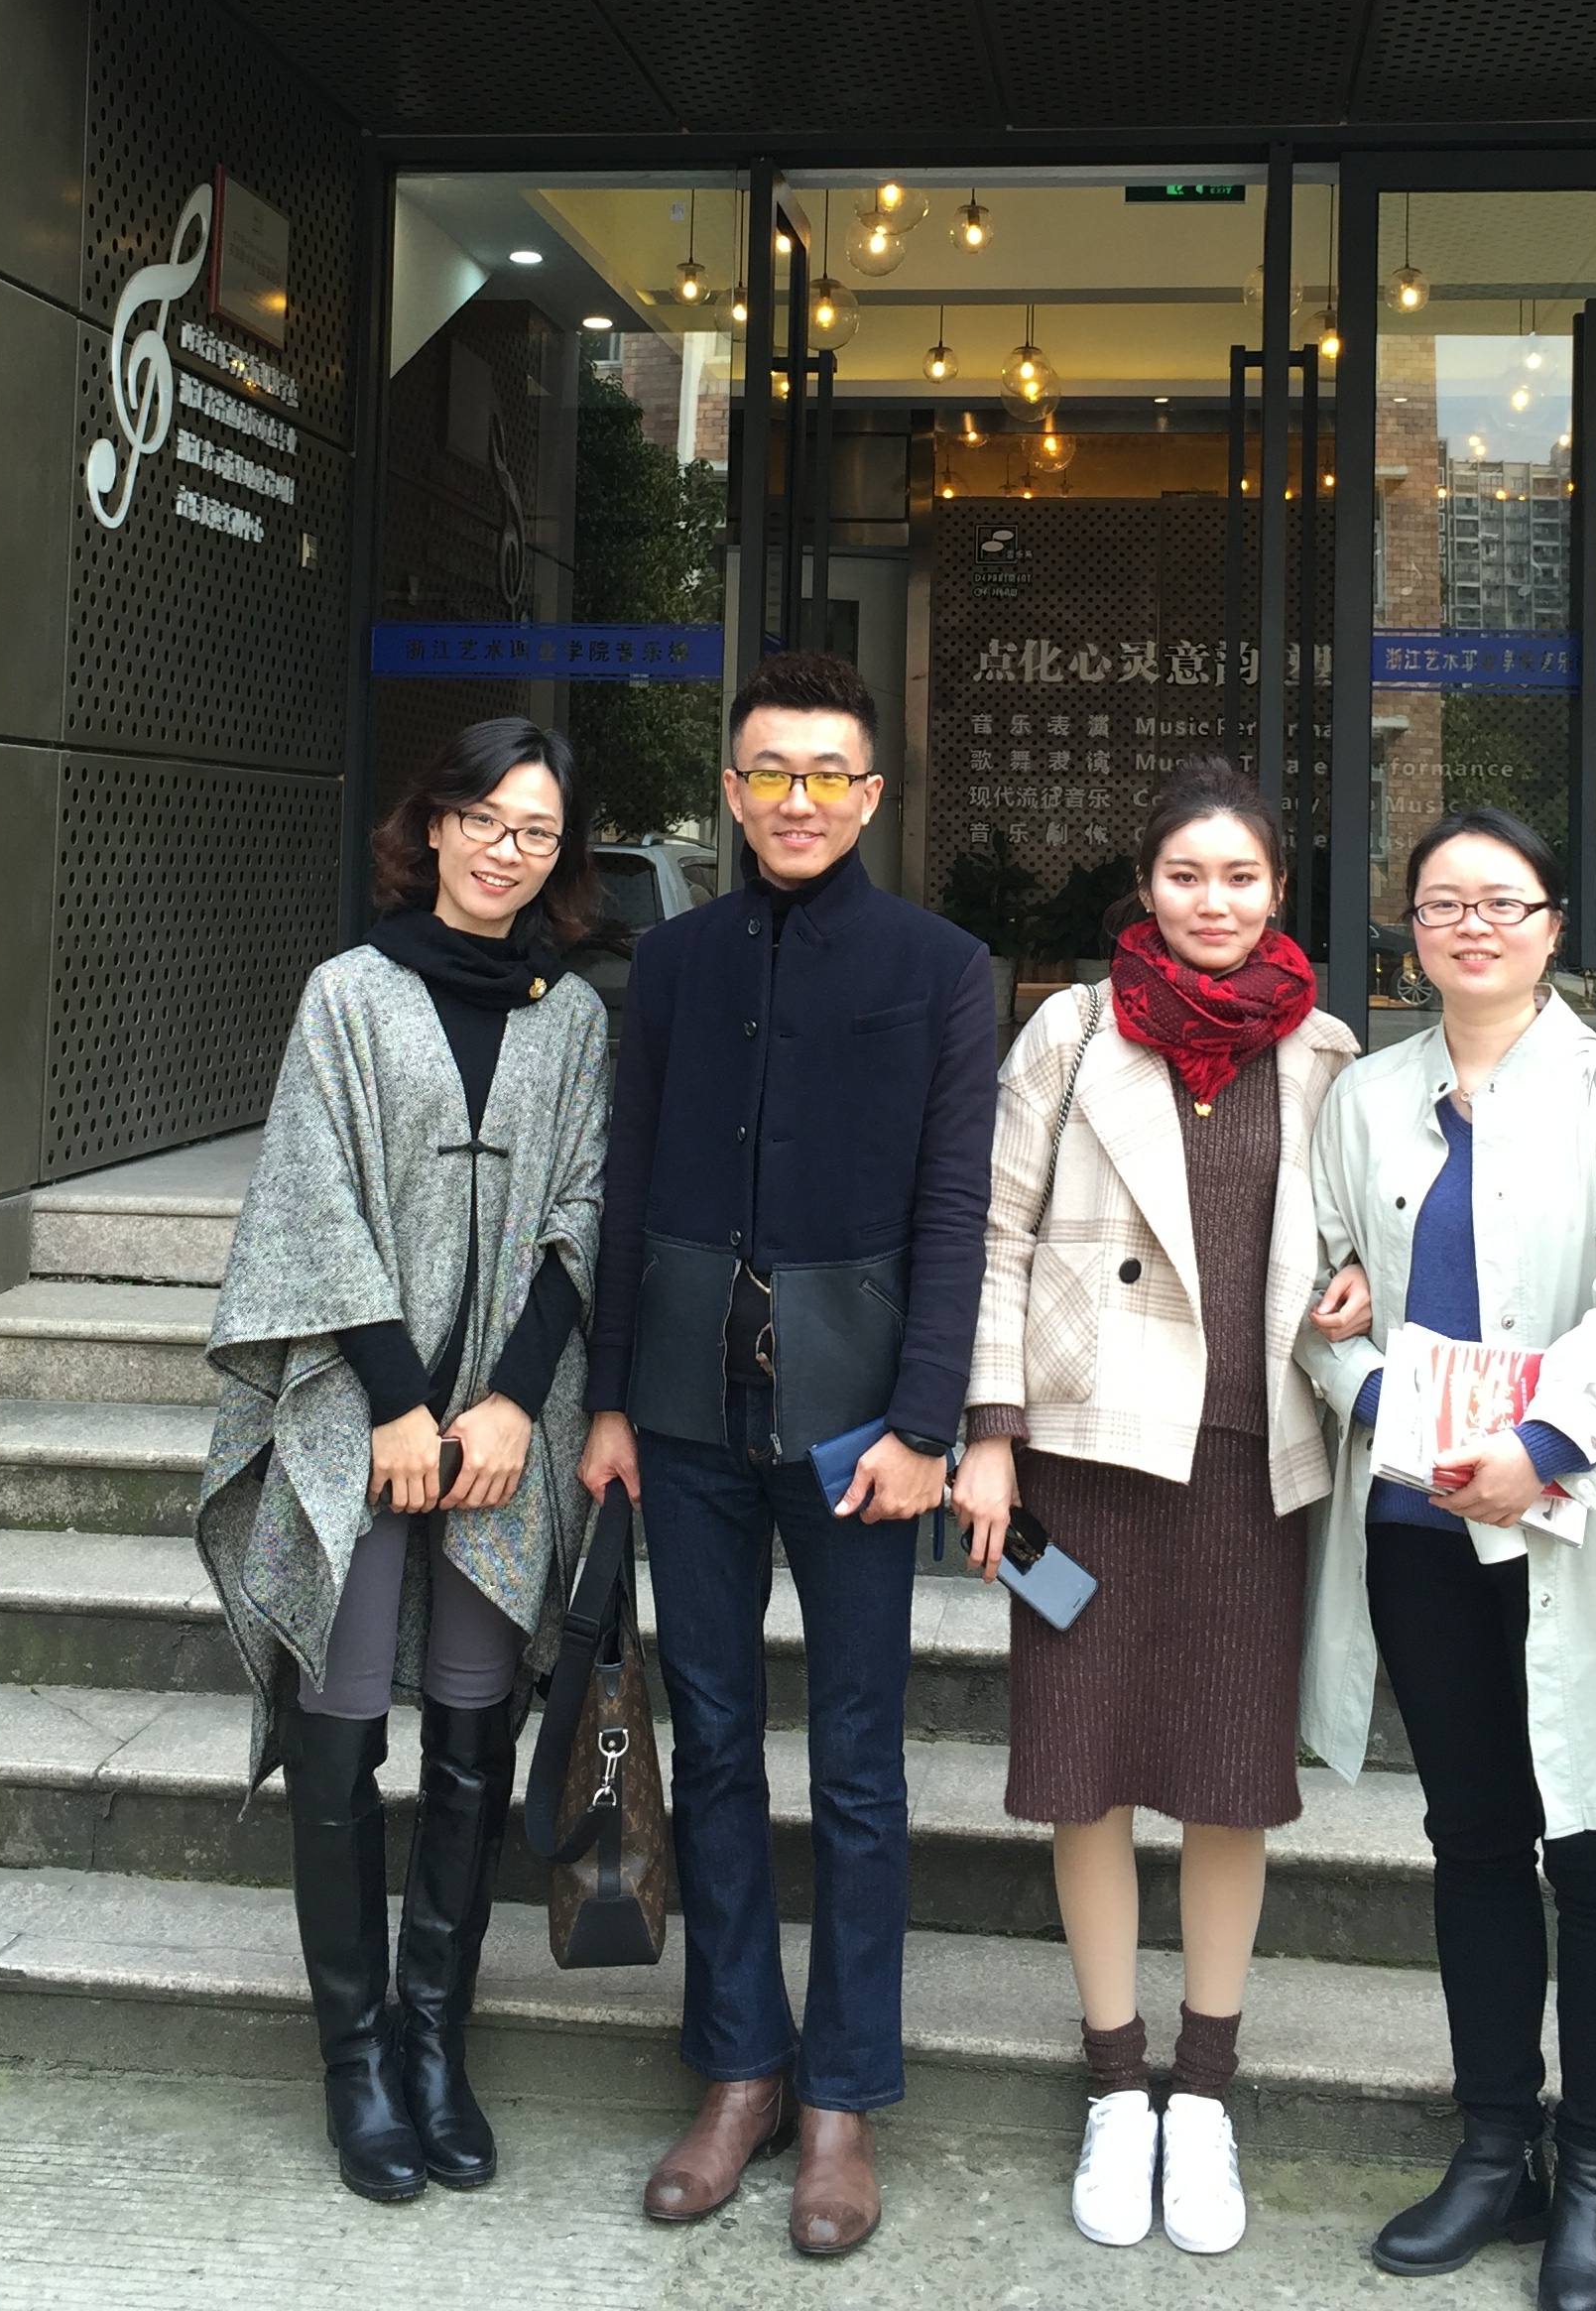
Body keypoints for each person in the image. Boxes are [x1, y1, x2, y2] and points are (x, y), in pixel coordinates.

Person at [579, 645, 995, 2260]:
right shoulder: (674, 961)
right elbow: (627, 1183)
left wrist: (927, 1425)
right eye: (771, 772)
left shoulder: (942, 967)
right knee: (712, 1738)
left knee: (861, 1765)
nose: (798, 799)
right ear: (732, 787)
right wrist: (610, 1395)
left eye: (829, 774)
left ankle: (842, 2099)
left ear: (871, 794)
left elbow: (955, 1213)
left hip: (860, 1427)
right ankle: (739, 2068)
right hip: (685, 1411)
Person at [197, 719, 611, 2205]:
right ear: (432, 825)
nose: (510, 850)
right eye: (486, 819)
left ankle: (437, 2037)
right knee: (340, 1717)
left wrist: (507, 1405)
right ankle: (354, 2058)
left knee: (475, 1729)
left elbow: (583, 1210)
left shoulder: (576, 1019)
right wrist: (392, 1401)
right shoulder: (349, 995)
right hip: (356, 1414)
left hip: (508, 1430)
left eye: (538, 831)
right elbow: (311, 1203)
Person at [952, 762, 1364, 2256]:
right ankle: (1115, 2082)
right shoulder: (1071, 1031)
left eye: (1241, 877)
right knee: (1087, 1766)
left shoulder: (1325, 1049)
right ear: (1146, 887)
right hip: (1083, 1451)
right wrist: (987, 1433)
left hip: (1253, 1454)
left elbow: (1372, 1226)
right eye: (1187, 875)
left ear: (1277, 891)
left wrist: (1363, 1281)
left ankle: (1205, 2090)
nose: (1214, 901)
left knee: (1230, 1776)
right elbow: (994, 1232)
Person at [1299, 806, 1596, 2311]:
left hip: (1572, 1514)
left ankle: (1593, 2172)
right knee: (1472, 1841)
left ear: (1550, 927)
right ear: (1409, 929)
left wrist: (1543, 1443)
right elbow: (1311, 1299)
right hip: (1419, 1519)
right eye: (1444, 902)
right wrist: (1381, 1405)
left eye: (1503, 901)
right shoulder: (1365, 1096)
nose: (1473, 924)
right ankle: (1491, 2151)